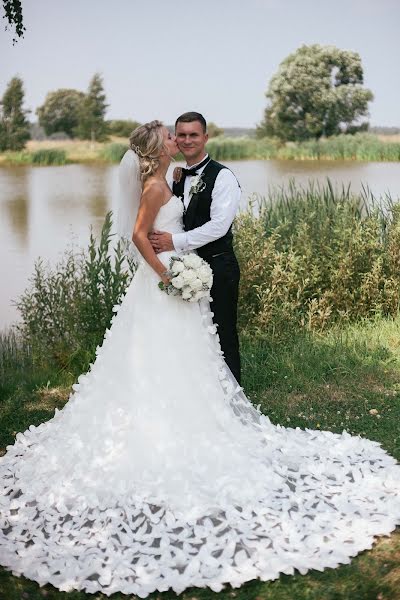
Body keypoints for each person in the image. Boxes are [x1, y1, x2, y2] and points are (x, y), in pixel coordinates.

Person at [0, 120, 399, 598]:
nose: (177, 140)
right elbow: (137, 236)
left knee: (191, 353)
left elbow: (199, 226)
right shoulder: (154, 186)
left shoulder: (178, 179)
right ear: (158, 148)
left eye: (182, 135)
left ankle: (189, 415)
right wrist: (166, 276)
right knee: (155, 353)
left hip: (177, 275)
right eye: (171, 137)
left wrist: (179, 262)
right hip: (162, 283)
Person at [148, 112, 242, 383]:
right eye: (182, 135)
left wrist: (173, 242)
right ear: (175, 137)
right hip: (185, 268)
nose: (187, 140)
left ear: (205, 138)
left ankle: (234, 395)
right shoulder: (176, 177)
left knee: (223, 331)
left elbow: (218, 227)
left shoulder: (222, 177)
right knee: (195, 334)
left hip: (219, 264)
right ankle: (202, 391)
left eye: (194, 135)